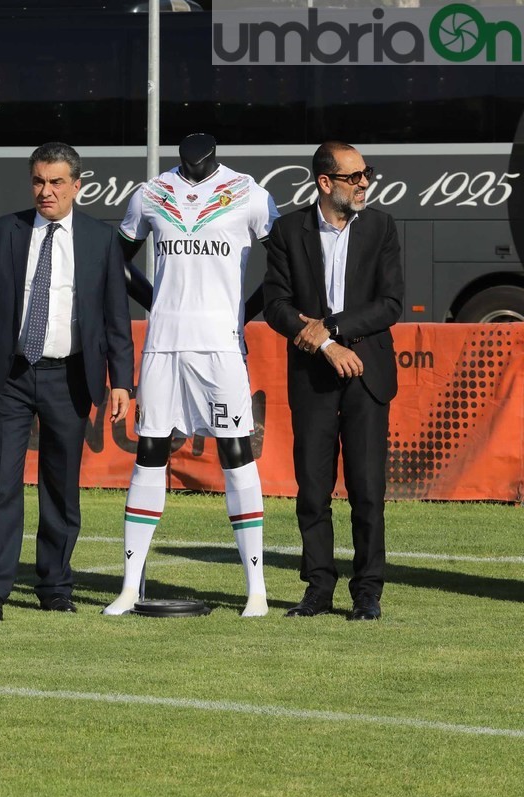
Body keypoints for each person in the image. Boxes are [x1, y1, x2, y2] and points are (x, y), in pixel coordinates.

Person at [104, 133, 279, 618]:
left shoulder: (250, 193)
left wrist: (245, 312)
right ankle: (129, 588)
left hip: (222, 347)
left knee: (237, 455)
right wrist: (155, 301)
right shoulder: (149, 193)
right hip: (162, 345)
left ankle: (256, 590)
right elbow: (112, 262)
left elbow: (284, 262)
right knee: (149, 451)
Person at [0, 142, 134, 622]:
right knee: (2, 485)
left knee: (61, 486)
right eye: (38, 180)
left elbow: (116, 316)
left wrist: (122, 381)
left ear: (77, 185)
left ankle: (55, 586)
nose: (46, 191)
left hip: (71, 376)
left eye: (56, 182)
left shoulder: (101, 239)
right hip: (10, 376)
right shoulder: (1, 232)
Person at [264, 141, 404, 621]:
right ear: (325, 183)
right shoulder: (287, 230)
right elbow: (276, 305)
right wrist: (326, 344)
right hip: (313, 376)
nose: (365, 183)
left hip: (368, 375)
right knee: (312, 489)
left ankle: (368, 592)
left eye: (368, 174)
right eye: (355, 176)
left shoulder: (381, 227)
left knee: (367, 490)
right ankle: (318, 588)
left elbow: (390, 304)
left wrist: (335, 327)